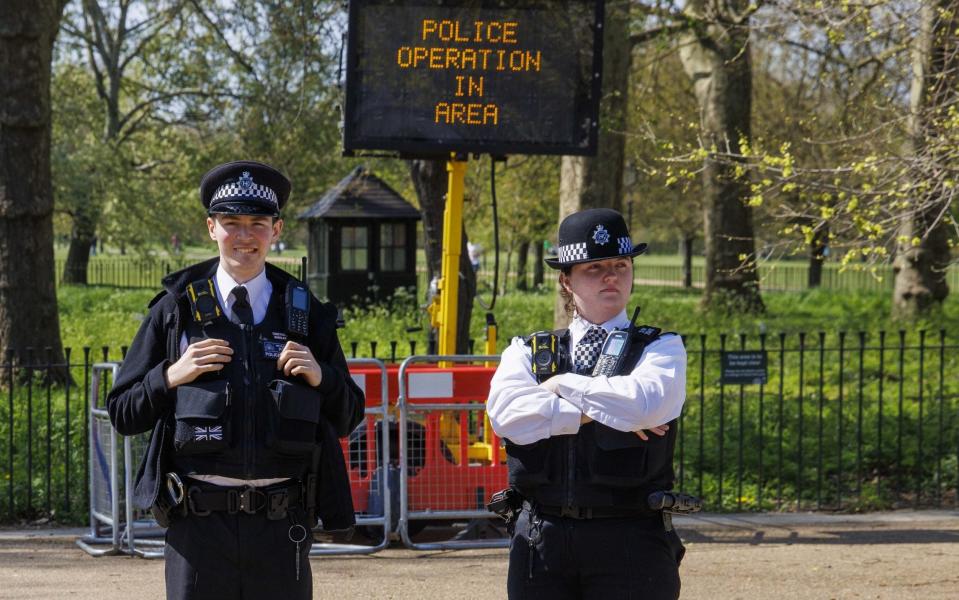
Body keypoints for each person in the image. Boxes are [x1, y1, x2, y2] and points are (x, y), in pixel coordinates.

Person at [107, 160, 365, 600]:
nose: (244, 236)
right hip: (198, 529)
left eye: (257, 223)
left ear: (276, 229)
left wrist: (323, 379)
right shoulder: (175, 311)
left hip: (282, 528)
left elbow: (349, 417)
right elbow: (123, 412)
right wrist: (170, 376)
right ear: (211, 227)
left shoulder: (305, 313)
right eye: (231, 223)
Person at [487, 208, 688, 599]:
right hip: (540, 541)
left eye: (620, 264)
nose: (611, 275)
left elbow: (646, 406)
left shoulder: (662, 348)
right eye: (594, 267)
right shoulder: (526, 351)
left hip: (632, 539)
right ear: (566, 280)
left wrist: (559, 385)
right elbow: (506, 417)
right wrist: (606, 409)